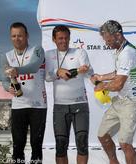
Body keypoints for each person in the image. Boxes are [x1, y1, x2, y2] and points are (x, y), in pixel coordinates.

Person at [90, 20, 136, 164]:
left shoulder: (128, 53)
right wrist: (101, 77)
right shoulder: (119, 50)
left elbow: (119, 84)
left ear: (118, 35)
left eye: (107, 39)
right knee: (103, 136)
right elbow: (118, 72)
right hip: (121, 100)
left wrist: (102, 86)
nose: (106, 43)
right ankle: (114, 162)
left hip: (133, 101)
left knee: (125, 143)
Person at [45, 25, 93, 164]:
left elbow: (87, 71)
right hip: (60, 106)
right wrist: (57, 72)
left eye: (66, 38)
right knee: (60, 146)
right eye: (60, 38)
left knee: (82, 143)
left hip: (80, 104)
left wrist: (80, 70)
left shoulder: (79, 52)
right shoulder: (48, 54)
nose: (63, 41)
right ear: (54, 39)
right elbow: (47, 77)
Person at [0, 22, 47, 164]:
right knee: (18, 146)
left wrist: (16, 70)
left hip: (38, 105)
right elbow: (5, 80)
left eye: (20, 35)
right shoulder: (7, 56)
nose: (16, 39)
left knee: (36, 145)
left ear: (27, 36)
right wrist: (9, 88)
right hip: (18, 105)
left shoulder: (37, 50)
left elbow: (33, 67)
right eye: (13, 36)